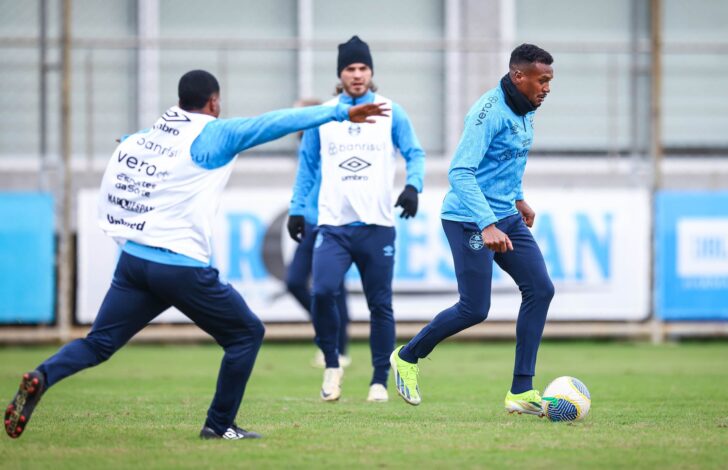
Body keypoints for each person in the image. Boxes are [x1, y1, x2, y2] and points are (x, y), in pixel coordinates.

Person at [3, 69, 387, 440]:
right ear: (214, 102)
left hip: (135, 262)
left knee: (99, 343)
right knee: (246, 334)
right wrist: (338, 110)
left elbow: (130, 142)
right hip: (179, 266)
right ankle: (220, 425)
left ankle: (42, 376)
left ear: (179, 101)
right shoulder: (215, 134)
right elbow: (275, 122)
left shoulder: (150, 135)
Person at [390, 44, 555, 416]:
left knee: (541, 289)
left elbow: (505, 163)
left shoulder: (526, 108)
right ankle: (406, 356)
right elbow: (460, 172)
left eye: (549, 81)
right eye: (541, 80)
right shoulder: (487, 113)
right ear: (519, 76)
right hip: (468, 218)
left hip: (505, 216)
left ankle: (521, 391)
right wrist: (488, 223)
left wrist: (517, 198)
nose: (546, 88)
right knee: (474, 308)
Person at [290, 36, 425, 403]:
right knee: (321, 291)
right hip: (333, 227)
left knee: (379, 304)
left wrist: (413, 187)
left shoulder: (390, 111)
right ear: (340, 74)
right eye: (350, 68)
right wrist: (297, 208)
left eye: (363, 67)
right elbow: (307, 166)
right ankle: (333, 365)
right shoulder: (325, 114)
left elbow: (414, 153)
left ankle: (379, 380)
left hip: (377, 227)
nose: (357, 74)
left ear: (371, 72)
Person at [285, 99, 352, 369]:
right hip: (310, 222)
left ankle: (340, 348)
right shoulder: (305, 147)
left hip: (331, 221)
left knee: (335, 287)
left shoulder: (331, 141)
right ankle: (328, 327)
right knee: (294, 282)